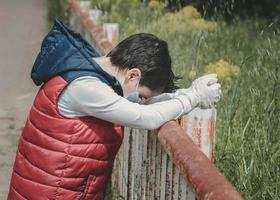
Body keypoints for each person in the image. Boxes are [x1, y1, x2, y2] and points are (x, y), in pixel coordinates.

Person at [7, 19, 221, 200]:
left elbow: (138, 103)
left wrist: (177, 96)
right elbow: (144, 117)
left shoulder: (87, 72)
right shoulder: (86, 88)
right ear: (133, 75)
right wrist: (193, 97)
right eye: (142, 95)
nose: (139, 100)